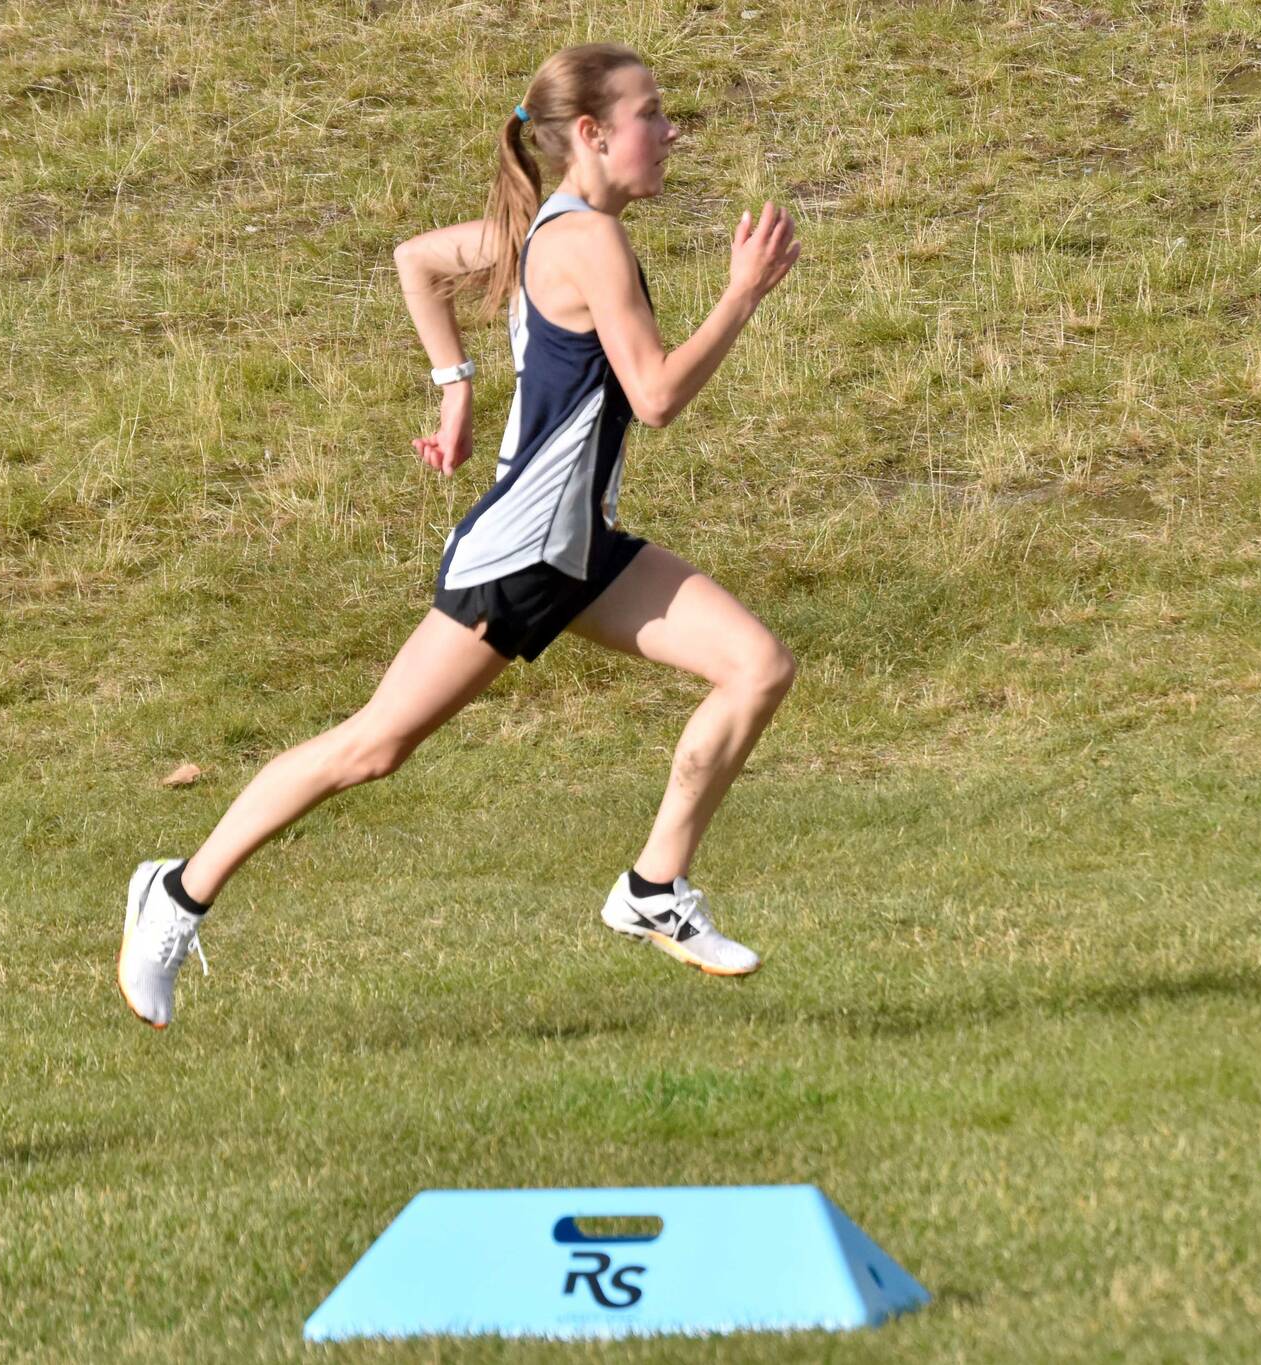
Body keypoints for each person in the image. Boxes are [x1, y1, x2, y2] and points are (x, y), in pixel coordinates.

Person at [118, 42, 803, 1029]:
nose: (669, 132)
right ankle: (175, 895)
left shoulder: (554, 225)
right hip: (522, 553)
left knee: (756, 666)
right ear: (592, 135)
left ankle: (653, 889)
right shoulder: (586, 243)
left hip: (581, 548)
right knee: (371, 747)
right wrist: (740, 294)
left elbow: (421, 262)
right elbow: (653, 397)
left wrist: (454, 390)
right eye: (652, 114)